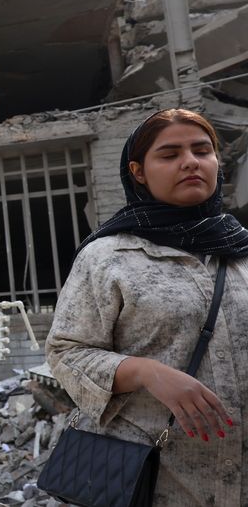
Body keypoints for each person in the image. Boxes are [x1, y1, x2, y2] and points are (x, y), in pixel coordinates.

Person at [46, 108, 248, 505]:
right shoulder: (108, 257)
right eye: (170, 154)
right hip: (158, 479)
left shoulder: (241, 249)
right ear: (138, 171)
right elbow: (66, 353)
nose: (190, 161)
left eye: (201, 150)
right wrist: (144, 371)